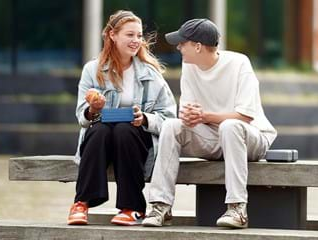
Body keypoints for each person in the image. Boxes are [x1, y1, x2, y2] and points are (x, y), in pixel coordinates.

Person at [142, 19, 277, 229]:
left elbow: (245, 117)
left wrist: (204, 116)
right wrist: (190, 117)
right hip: (212, 138)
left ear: (197, 46)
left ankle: (237, 209)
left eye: (182, 43)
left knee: (230, 126)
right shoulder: (190, 67)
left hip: (251, 137)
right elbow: (188, 114)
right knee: (171, 126)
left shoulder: (239, 63)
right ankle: (161, 206)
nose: (178, 47)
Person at [67, 10, 176, 226]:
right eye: (130, 35)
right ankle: (81, 202)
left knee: (124, 129)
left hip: (136, 139)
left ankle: (132, 207)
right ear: (112, 35)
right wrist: (93, 110)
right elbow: (82, 116)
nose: (136, 41)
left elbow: (170, 118)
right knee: (100, 129)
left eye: (139, 35)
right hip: (101, 138)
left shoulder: (151, 74)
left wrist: (144, 118)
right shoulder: (92, 69)